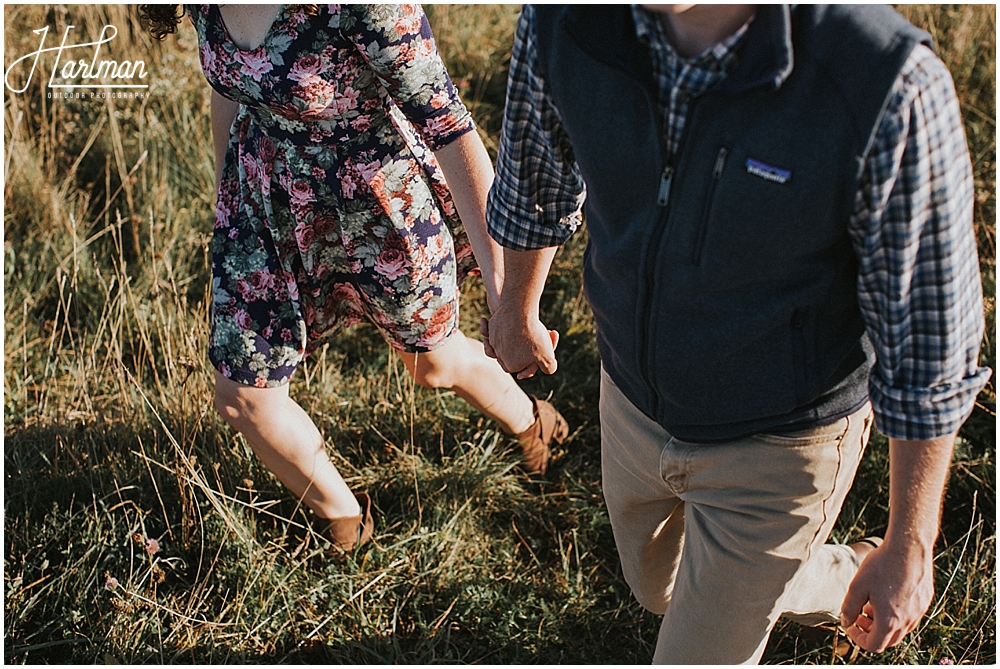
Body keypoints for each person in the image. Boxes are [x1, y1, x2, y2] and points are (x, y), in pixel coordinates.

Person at [482, 4, 990, 663]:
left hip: (779, 445)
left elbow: (930, 346)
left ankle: (769, 573)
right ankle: (834, 574)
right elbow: (535, 172)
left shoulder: (886, 85)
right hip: (630, 401)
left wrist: (911, 543)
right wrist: (516, 308)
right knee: (657, 587)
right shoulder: (563, 17)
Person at [138, 4, 568, 553]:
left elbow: (451, 130)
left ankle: (534, 424)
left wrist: (510, 303)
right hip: (267, 201)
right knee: (243, 396)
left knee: (432, 365)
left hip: (380, 209)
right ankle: (345, 523)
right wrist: (229, 198)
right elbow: (229, 89)